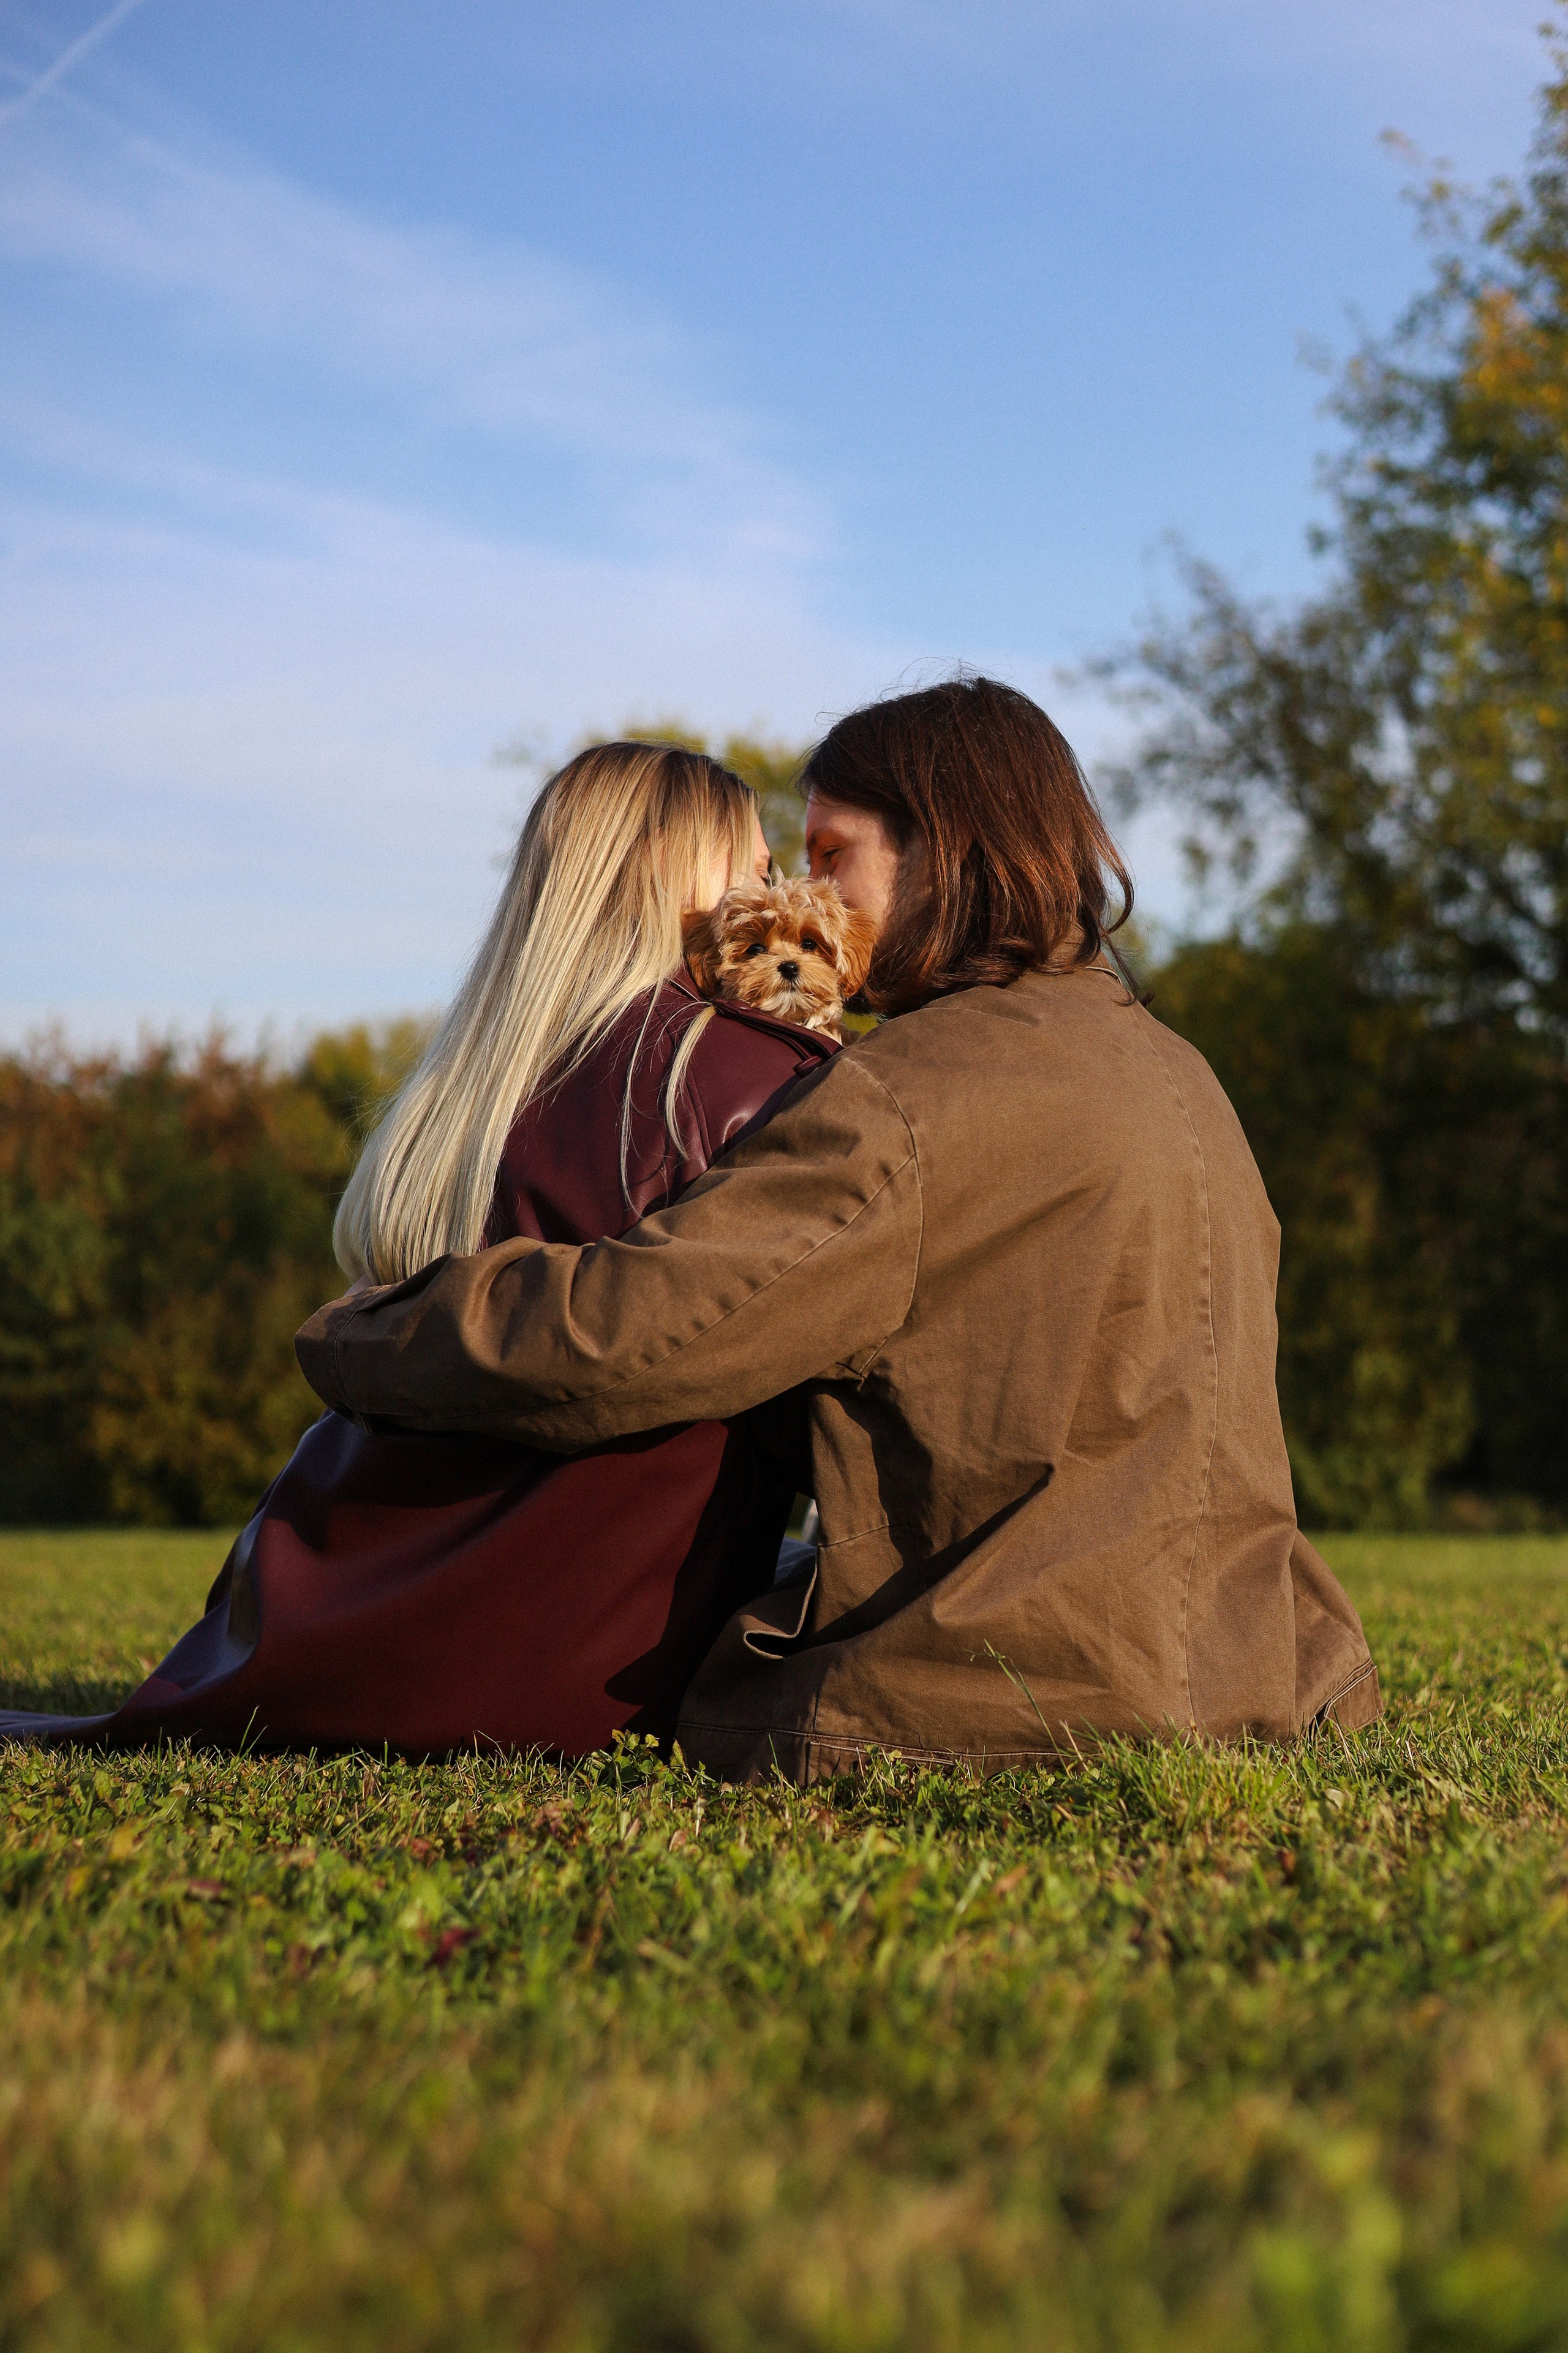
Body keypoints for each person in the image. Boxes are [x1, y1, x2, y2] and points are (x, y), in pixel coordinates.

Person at [296, 678, 1381, 1783]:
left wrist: (370, 1333)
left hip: (992, 1694)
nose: (810, 892)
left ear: (945, 851)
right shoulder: (1181, 1071)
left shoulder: (905, 1094)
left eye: (829, 855)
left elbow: (631, 1338)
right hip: (1267, 1676)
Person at [0, 742, 835, 1756]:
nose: (777, 887)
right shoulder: (753, 1070)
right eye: (754, 866)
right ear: (680, 879)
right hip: (593, 1671)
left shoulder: (468, 1086)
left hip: (326, 1630)